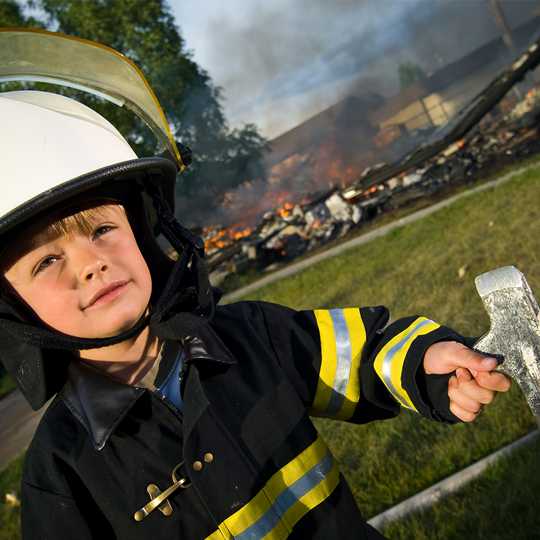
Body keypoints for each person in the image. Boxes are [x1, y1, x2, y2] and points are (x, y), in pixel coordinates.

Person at [0, 34, 510, 540]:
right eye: (47, 261)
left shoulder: (246, 336)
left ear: (146, 232)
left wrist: (423, 363)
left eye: (103, 230)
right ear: (11, 310)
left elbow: (361, 354)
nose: (92, 265)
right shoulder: (60, 474)